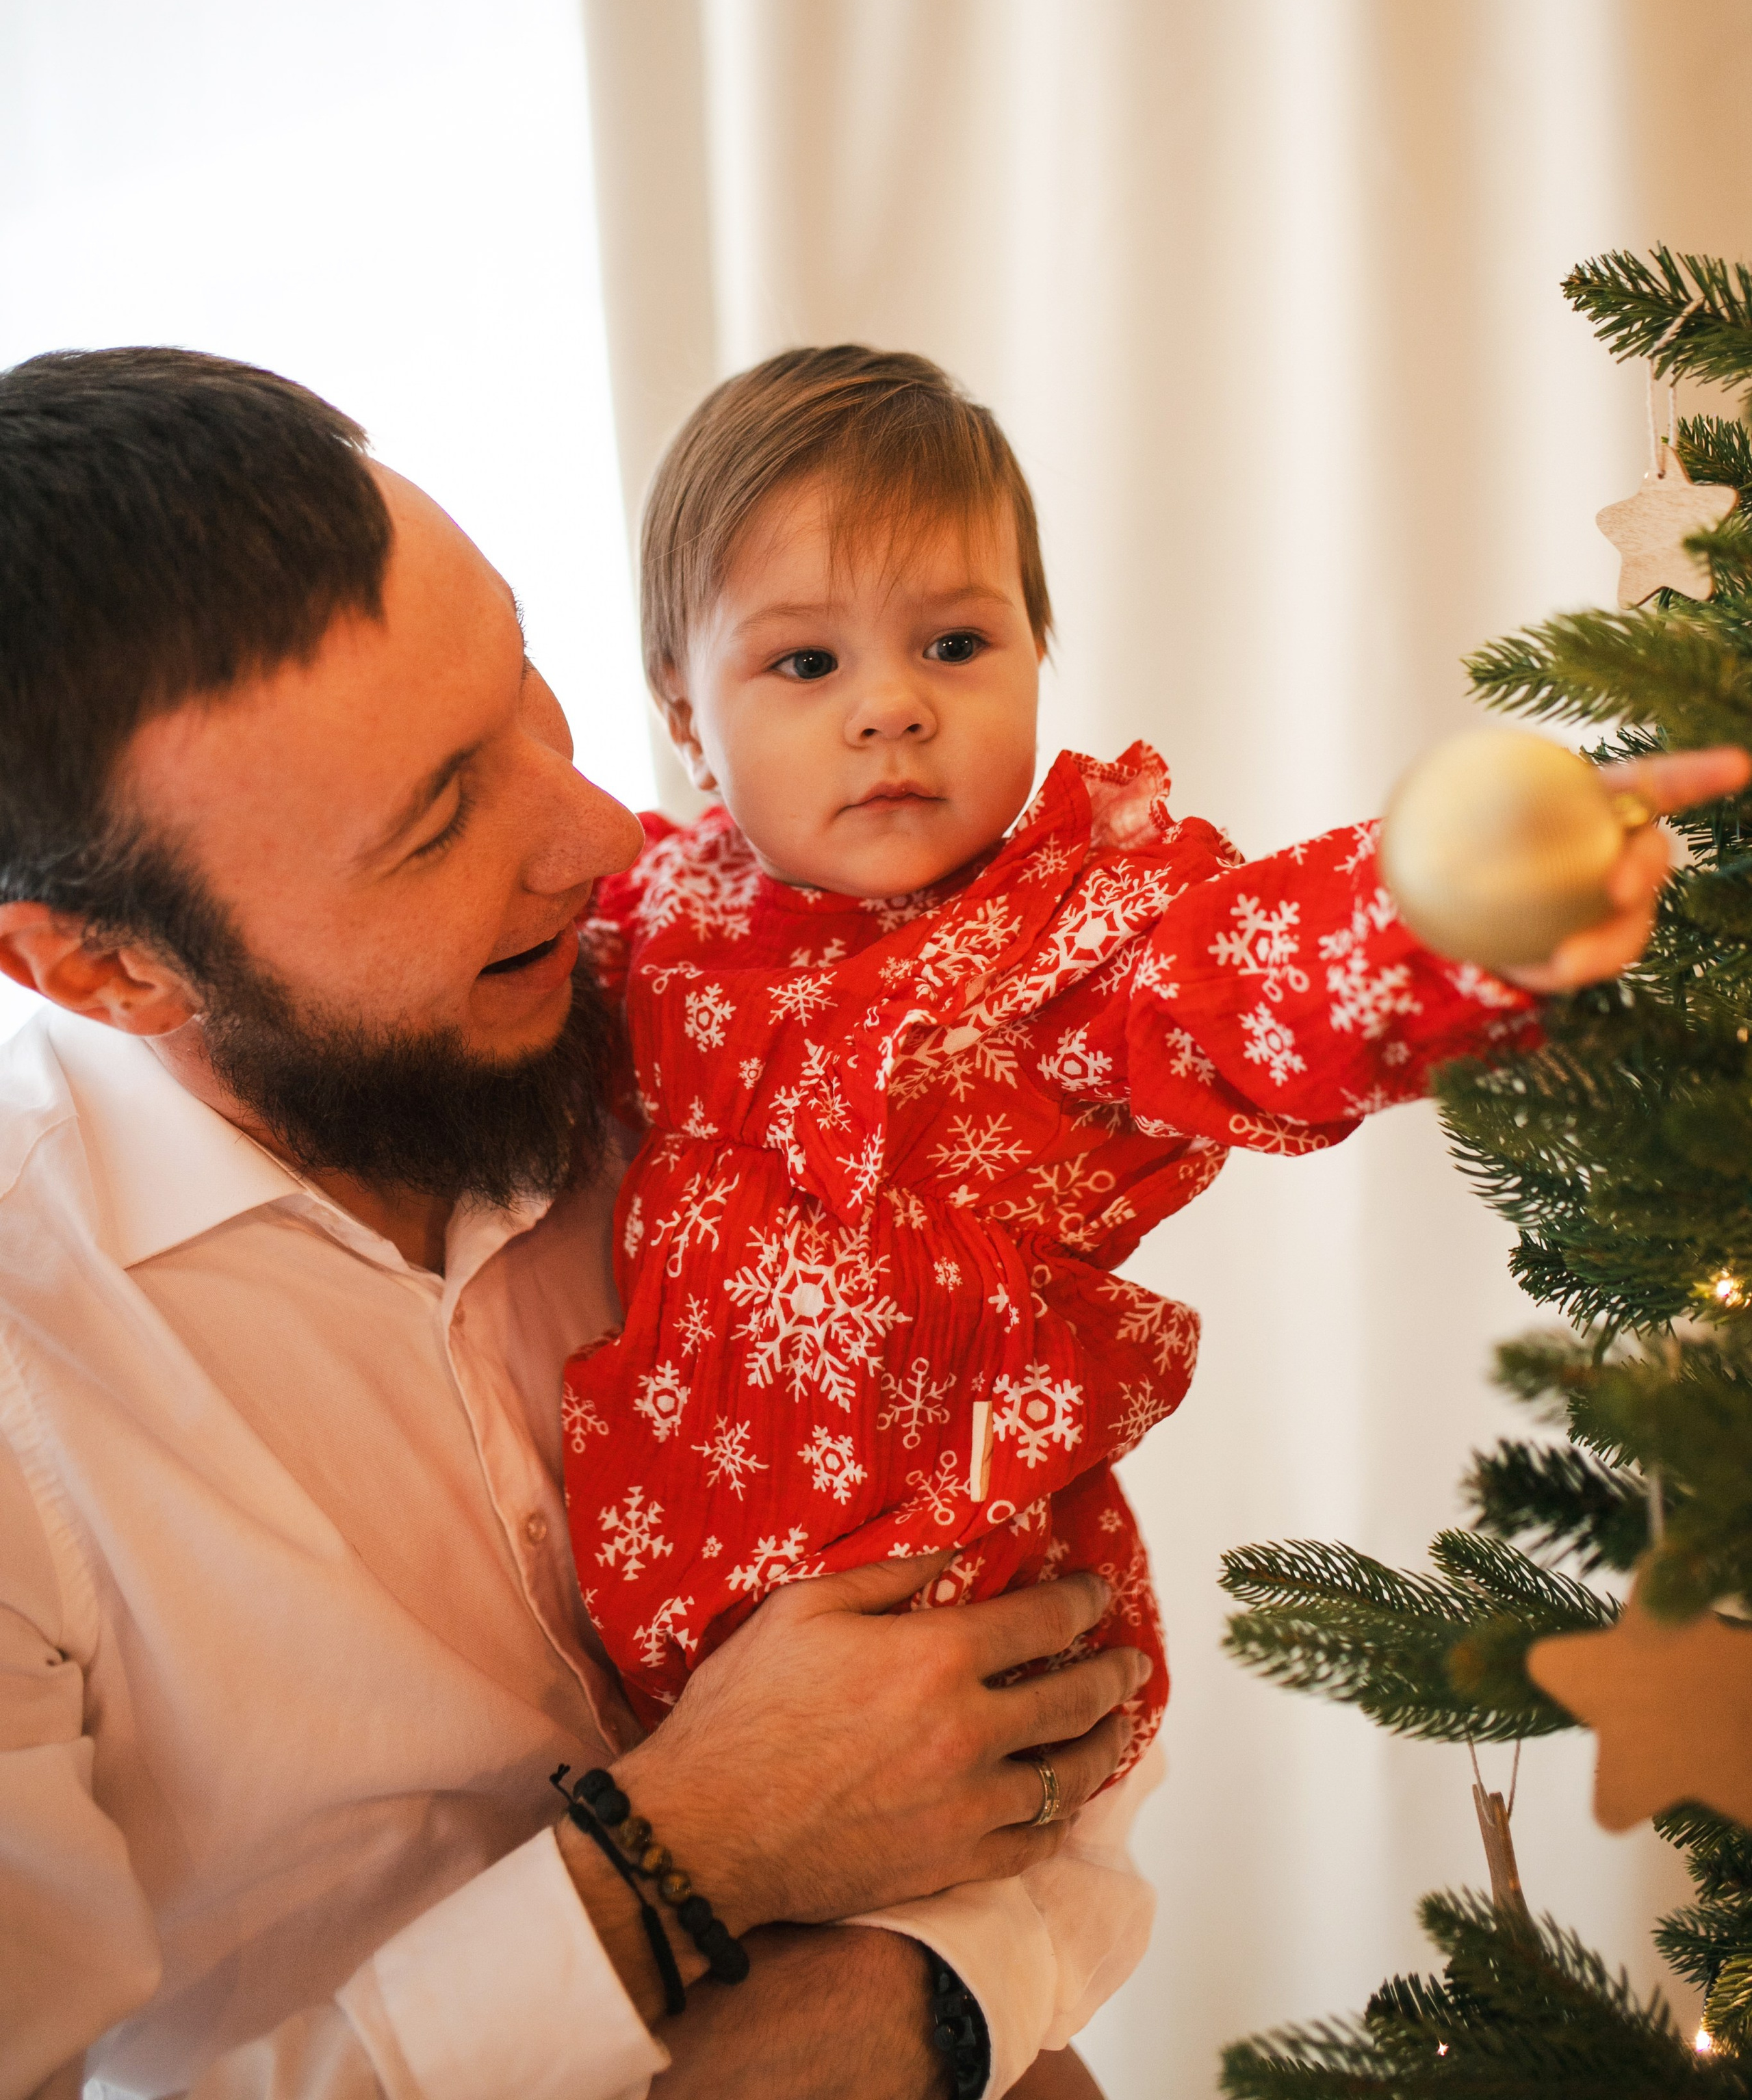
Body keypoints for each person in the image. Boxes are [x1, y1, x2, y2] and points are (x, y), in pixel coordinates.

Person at [0, 347, 1157, 2100]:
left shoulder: (706, 1028)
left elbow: (1028, 1673)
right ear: (107, 969)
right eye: (437, 822)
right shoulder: (32, 1382)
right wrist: (674, 1863)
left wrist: (936, 1984)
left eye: (525, 691)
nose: (603, 827)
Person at [563, 345, 1745, 1784]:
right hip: (663, 1605)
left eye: (953, 644)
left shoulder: (1065, 933)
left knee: (978, 1942)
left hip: (957, 1610)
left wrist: (1459, 892)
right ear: (684, 713)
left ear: (1036, 656)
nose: (891, 706)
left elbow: (1239, 975)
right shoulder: (651, 914)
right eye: (804, 662)